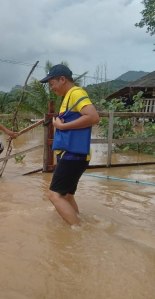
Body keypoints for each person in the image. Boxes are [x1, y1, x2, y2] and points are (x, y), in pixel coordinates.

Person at [40, 64, 100, 226]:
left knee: (54, 195)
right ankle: (78, 225)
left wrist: (62, 126)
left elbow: (93, 117)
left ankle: (79, 230)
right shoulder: (68, 96)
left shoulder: (76, 93)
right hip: (74, 154)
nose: (51, 88)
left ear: (62, 79)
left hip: (73, 155)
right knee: (66, 196)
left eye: (51, 84)